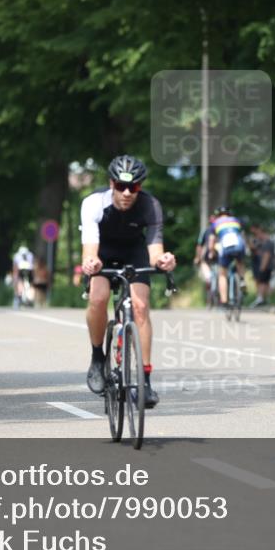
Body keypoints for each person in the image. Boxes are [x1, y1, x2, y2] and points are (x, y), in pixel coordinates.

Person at [81, 155, 176, 408]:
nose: (126, 192)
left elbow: (155, 251)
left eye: (132, 187)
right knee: (98, 298)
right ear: (111, 183)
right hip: (103, 251)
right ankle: (97, 358)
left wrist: (164, 261)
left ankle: (144, 381)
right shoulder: (93, 204)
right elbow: (90, 249)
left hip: (134, 252)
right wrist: (92, 262)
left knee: (141, 308)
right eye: (120, 186)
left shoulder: (150, 206)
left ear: (140, 187)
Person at [207, 206, 247, 308]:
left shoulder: (215, 223)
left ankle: (224, 300)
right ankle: (242, 280)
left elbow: (211, 242)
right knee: (240, 262)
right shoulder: (236, 220)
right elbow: (243, 236)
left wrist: (211, 253)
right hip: (239, 245)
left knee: (222, 274)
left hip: (226, 247)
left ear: (218, 215)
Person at [194, 214, 218, 307]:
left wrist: (197, 257)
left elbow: (199, 245)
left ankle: (210, 297)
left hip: (208, 255)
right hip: (216, 254)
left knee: (209, 277)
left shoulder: (206, 231)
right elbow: (200, 245)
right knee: (214, 277)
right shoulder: (220, 229)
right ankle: (212, 296)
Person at [250, 226, 275, 307]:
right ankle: (266, 299)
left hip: (265, 266)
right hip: (266, 266)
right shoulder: (264, 242)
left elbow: (266, 256)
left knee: (262, 282)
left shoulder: (268, 243)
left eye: (259, 234)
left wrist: (262, 268)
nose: (258, 236)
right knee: (265, 283)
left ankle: (260, 298)